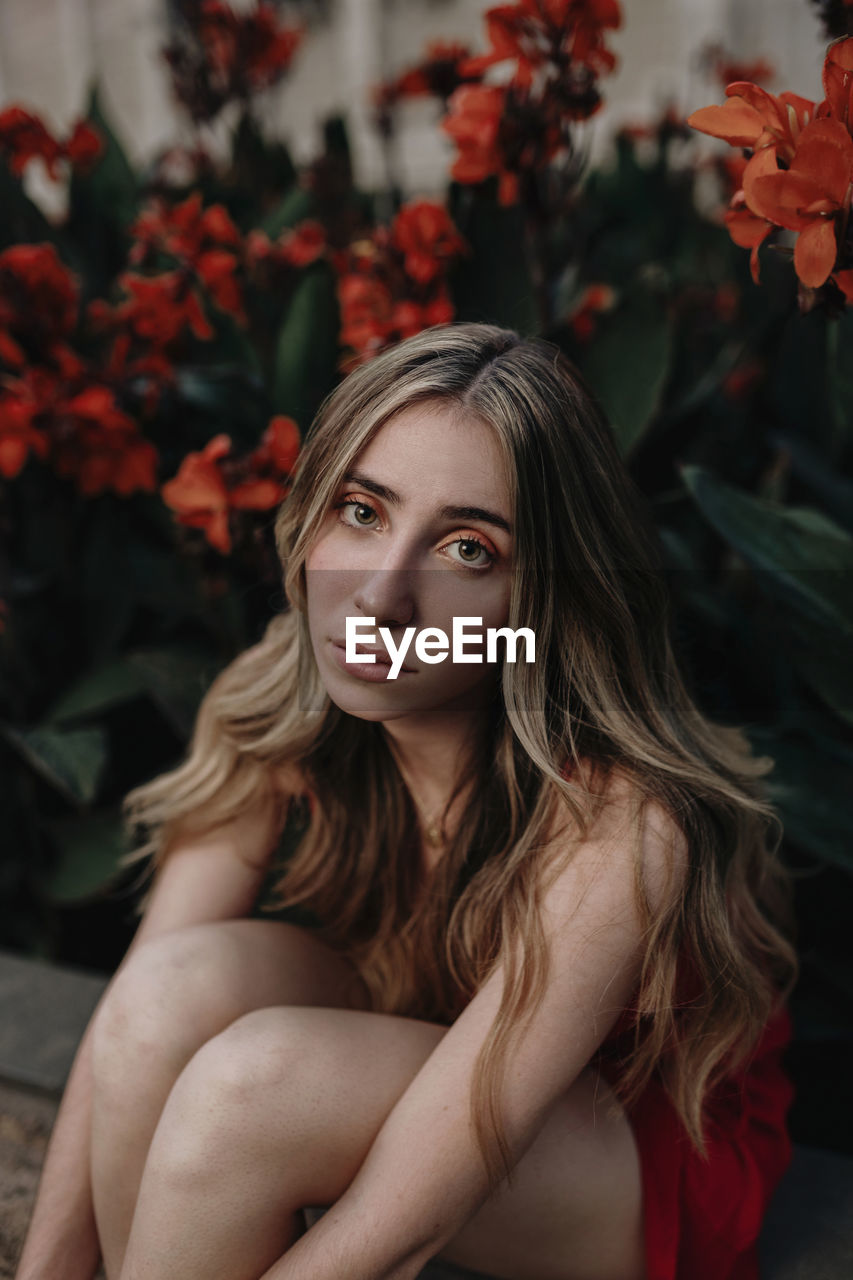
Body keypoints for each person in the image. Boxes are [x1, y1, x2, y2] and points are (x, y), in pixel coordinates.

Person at [16, 322, 799, 1280]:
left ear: (544, 599)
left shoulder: (620, 822)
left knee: (249, 1087)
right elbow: (126, 1027)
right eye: (361, 510)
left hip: (638, 1148)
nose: (378, 597)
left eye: (468, 549)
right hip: (433, 1042)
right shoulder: (285, 694)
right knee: (161, 999)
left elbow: (400, 1229)